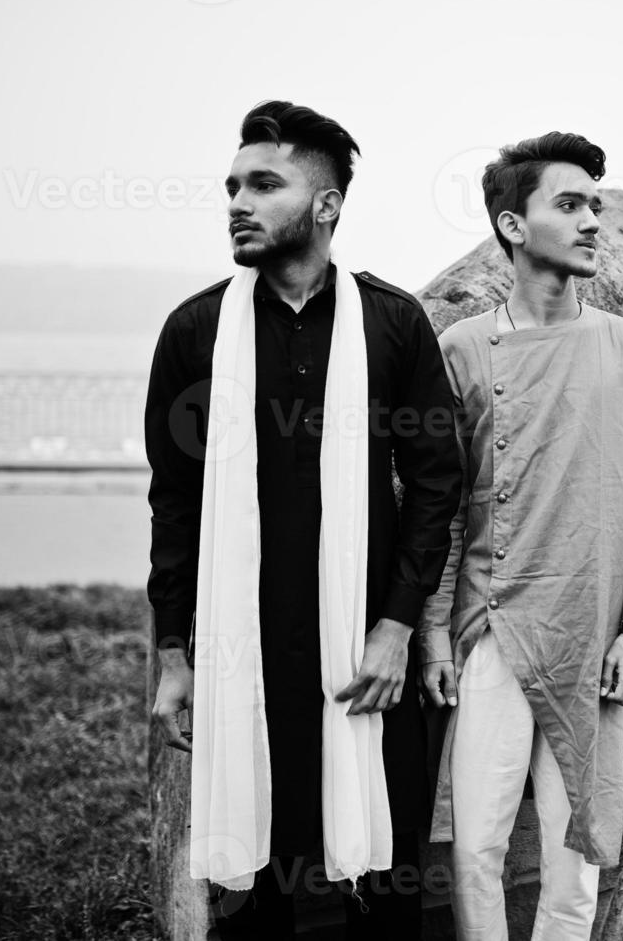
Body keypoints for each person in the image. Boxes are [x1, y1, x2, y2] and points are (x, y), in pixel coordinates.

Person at [145, 100, 462, 940]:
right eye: (231, 187)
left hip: (364, 650)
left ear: (325, 206)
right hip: (241, 651)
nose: (237, 203)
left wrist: (395, 629)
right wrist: (175, 653)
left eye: (263, 184)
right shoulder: (196, 330)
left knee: (387, 887)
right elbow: (173, 499)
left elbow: (436, 485)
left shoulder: (392, 325)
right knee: (255, 891)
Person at [418, 132, 623, 940]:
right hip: (491, 633)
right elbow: (443, 506)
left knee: (578, 859)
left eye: (595, 205)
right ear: (512, 225)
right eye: (569, 205)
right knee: (477, 850)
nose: (593, 221)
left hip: (591, 638)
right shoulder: (461, 349)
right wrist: (432, 635)